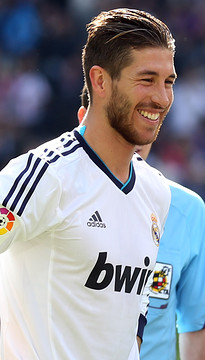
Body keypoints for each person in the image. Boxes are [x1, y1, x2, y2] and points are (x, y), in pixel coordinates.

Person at [0, 8, 175, 359]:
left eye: (168, 81)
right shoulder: (45, 174)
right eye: (147, 79)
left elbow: (138, 301)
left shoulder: (157, 191)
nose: (162, 97)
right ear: (100, 80)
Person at [77, 87, 205, 360]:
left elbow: (199, 328)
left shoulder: (186, 209)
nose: (134, 131)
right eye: (120, 118)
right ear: (84, 118)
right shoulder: (49, 192)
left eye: (146, 116)